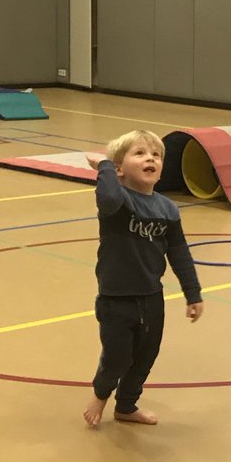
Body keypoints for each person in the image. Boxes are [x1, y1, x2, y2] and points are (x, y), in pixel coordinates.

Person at [83, 129, 203, 428]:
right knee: (117, 358)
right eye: (139, 153)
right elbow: (107, 197)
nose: (150, 158)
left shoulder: (167, 208)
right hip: (116, 298)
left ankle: (126, 405)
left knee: (145, 357)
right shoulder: (118, 201)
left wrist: (193, 293)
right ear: (120, 168)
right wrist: (104, 166)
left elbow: (179, 252)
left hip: (151, 297)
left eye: (156, 155)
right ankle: (100, 394)